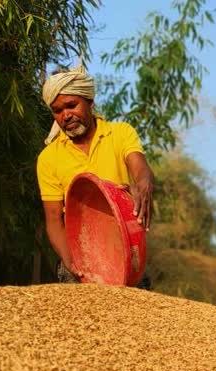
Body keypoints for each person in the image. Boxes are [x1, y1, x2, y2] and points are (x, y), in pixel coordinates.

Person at [36, 65, 154, 284]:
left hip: (126, 250)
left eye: (72, 105)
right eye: (58, 110)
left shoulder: (120, 133)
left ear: (90, 102)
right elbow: (53, 220)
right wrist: (73, 263)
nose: (66, 115)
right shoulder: (48, 158)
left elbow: (141, 169)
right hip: (80, 259)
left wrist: (143, 183)